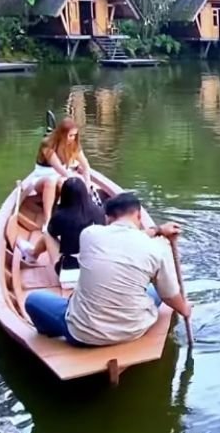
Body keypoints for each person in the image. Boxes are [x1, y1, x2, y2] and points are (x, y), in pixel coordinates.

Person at [23, 193, 192, 347]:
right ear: (139, 215)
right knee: (158, 291)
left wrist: (157, 230)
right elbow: (170, 296)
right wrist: (185, 310)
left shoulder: (89, 234)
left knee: (33, 300)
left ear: (107, 218)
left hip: (82, 335)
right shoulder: (158, 248)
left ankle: (52, 331)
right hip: (133, 330)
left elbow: (122, 238)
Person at [15, 176, 104, 269]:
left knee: (47, 234)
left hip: (70, 268)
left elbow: (52, 232)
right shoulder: (99, 211)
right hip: (94, 265)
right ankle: (32, 253)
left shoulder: (61, 216)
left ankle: (33, 254)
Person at [23, 118, 93, 226]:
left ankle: (70, 213)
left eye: (75, 135)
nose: (73, 138)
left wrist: (87, 183)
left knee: (62, 183)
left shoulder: (74, 144)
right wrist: (77, 181)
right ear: (62, 134)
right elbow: (59, 168)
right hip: (43, 177)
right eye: (70, 135)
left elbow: (85, 165)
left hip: (61, 176)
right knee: (51, 182)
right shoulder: (47, 144)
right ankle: (47, 221)